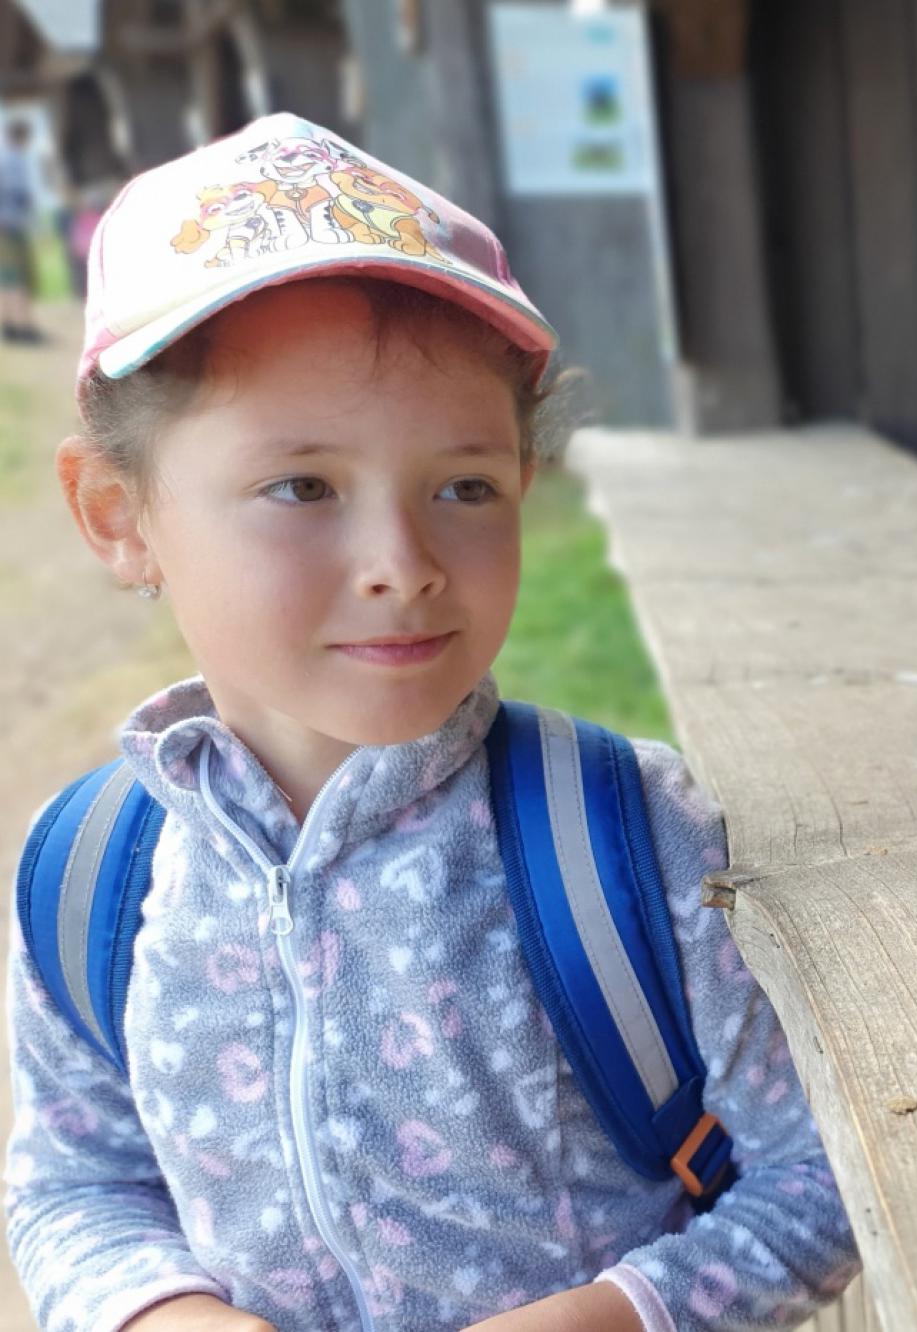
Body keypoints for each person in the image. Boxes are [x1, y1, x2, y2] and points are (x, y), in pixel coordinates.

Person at [4, 112, 859, 1332]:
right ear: (116, 515)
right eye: (302, 486)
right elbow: (75, 1184)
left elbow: (823, 1174)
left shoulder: (623, 840)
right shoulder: (90, 876)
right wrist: (161, 1315)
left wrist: (613, 1316)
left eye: (464, 485)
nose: (402, 564)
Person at [0, 117, 44, 343]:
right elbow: (21, 195)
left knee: (6, 277)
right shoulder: (15, 161)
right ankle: (24, 325)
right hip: (13, 225)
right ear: (23, 137)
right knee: (18, 278)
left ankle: (9, 324)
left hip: (4, 226)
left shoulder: (4, 160)